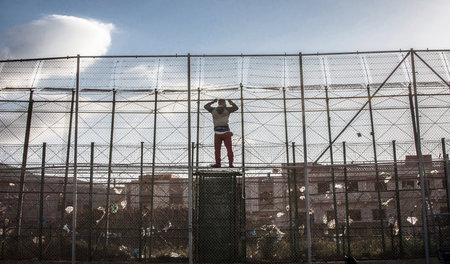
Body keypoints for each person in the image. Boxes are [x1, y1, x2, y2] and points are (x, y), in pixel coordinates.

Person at [204, 99, 239, 168]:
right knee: (229, 149)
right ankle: (231, 163)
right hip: (226, 132)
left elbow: (205, 106)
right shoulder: (227, 109)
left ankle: (218, 164)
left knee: (217, 150)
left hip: (217, 132)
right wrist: (231, 102)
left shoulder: (213, 110)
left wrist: (212, 102)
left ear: (218, 103)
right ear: (224, 103)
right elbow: (236, 108)